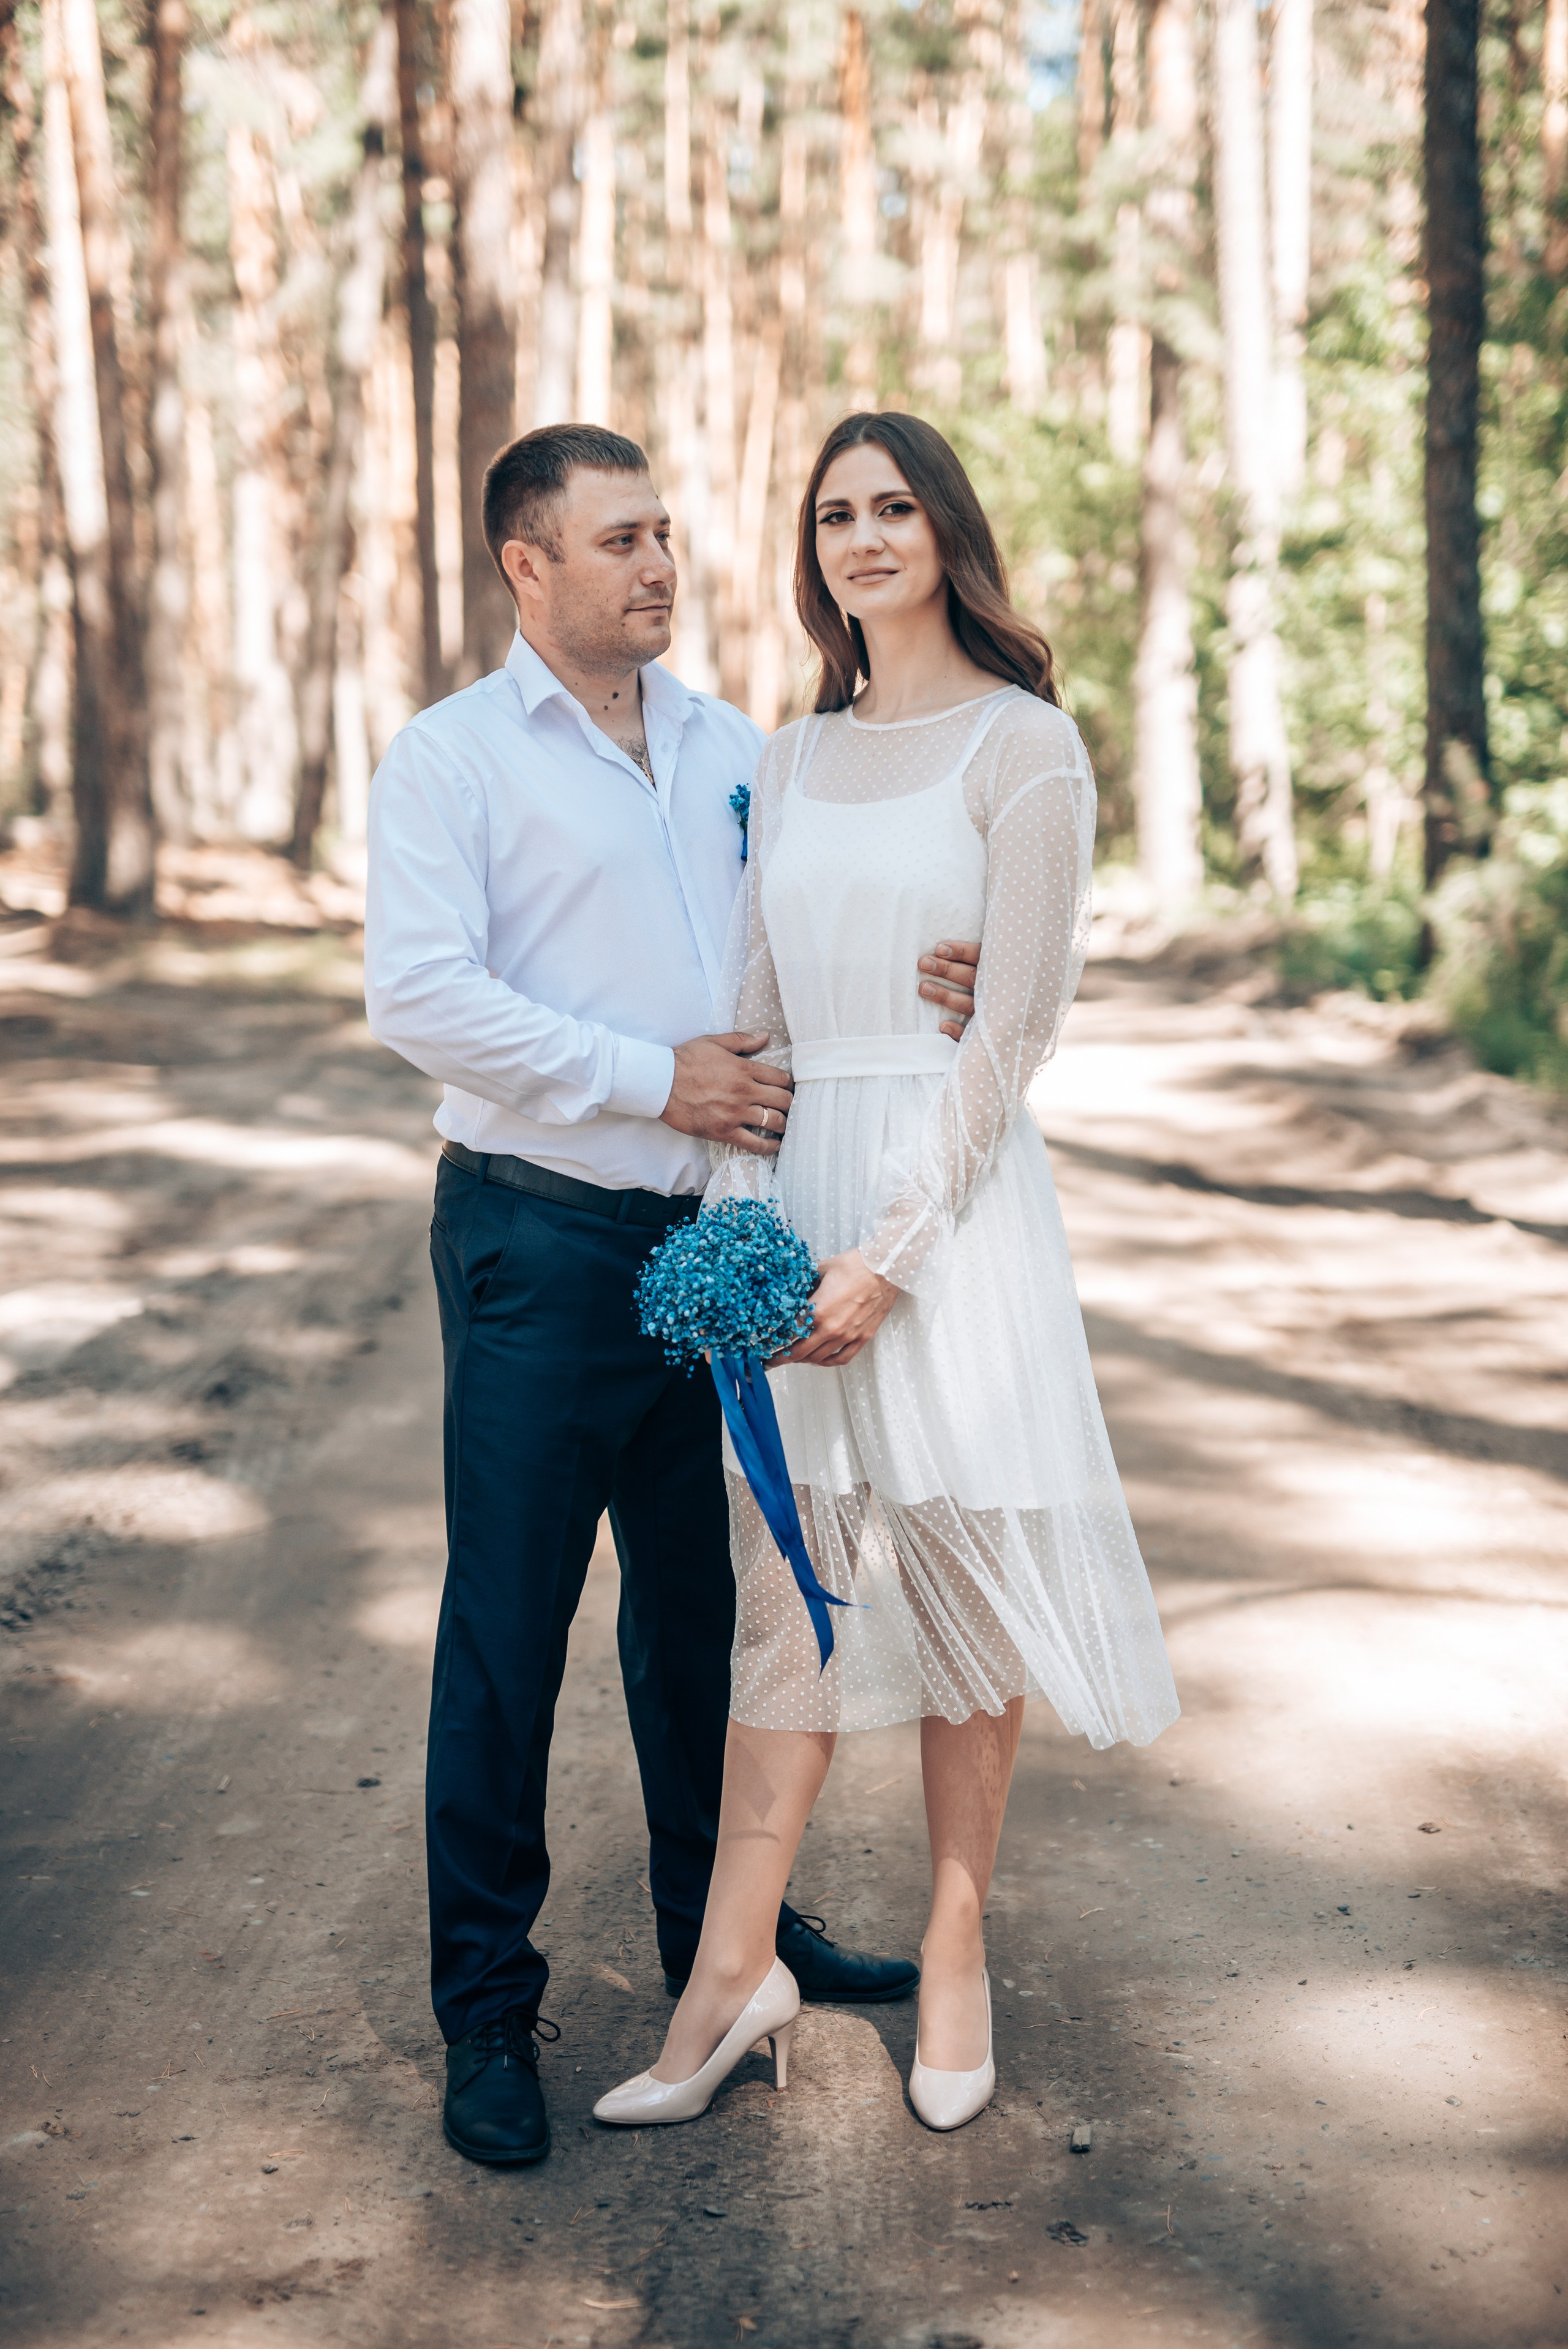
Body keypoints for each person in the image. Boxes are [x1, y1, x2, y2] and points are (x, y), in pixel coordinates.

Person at [363, 422, 986, 2166]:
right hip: (539, 1240)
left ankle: (729, 1947)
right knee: (507, 1628)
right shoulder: (452, 760)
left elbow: (820, 925)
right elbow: (420, 995)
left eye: (666, 534)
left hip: (712, 1245)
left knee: (703, 1615)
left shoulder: (742, 749)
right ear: (527, 564)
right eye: (620, 538)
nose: (659, 564)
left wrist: (952, 956)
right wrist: (656, 1075)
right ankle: (488, 2011)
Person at [594, 412, 1180, 2138]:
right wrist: (738, 1240)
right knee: (790, 1597)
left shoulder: (1027, 749)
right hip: (804, 1204)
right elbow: (763, 1024)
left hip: (952, 1212)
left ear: (948, 532)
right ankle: (728, 1978)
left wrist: (895, 1258)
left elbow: (1012, 1034)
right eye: (835, 512)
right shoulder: (781, 760)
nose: (863, 536)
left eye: (894, 506)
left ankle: (954, 1938)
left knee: (959, 1582)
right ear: (814, 550)